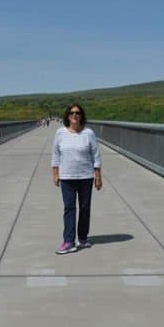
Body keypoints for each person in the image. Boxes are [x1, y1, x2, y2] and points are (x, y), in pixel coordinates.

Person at [51, 103, 102, 254]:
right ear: (68, 116)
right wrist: (55, 173)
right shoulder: (60, 133)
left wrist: (98, 176)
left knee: (85, 209)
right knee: (69, 208)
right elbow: (55, 154)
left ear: (81, 116)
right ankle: (68, 241)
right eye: (72, 113)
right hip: (67, 176)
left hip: (85, 176)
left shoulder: (88, 133)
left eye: (78, 113)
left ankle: (83, 237)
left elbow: (96, 155)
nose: (75, 115)